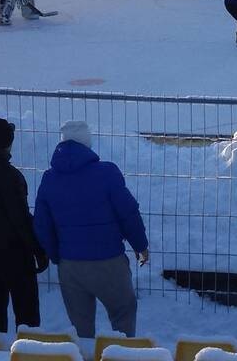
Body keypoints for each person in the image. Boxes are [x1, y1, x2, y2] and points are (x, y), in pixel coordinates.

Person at [33, 120, 149, 339]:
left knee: (81, 329)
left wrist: (58, 256)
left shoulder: (49, 179)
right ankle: (120, 355)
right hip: (109, 262)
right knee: (123, 313)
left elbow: (41, 224)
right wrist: (140, 246)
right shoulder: (107, 173)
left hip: (70, 266)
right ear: (87, 143)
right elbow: (128, 213)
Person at [0, 117, 48, 332]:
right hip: (17, 255)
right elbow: (21, 220)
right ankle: (28, 352)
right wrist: (38, 250)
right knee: (27, 316)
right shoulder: (11, 176)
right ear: (8, 143)